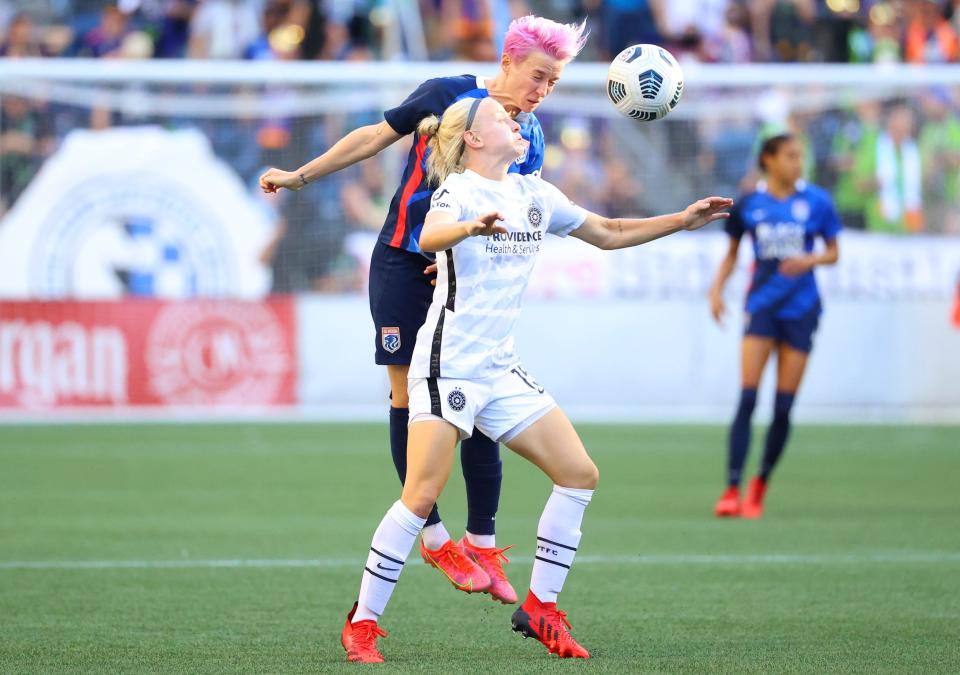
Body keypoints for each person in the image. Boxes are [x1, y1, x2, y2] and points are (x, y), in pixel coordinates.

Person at [339, 95, 732, 663]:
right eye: (501, 117)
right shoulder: (459, 190)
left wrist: (681, 220)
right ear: (473, 139)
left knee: (579, 474)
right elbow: (428, 236)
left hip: (499, 368)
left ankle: (540, 609)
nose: (516, 119)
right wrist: (468, 228)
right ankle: (363, 624)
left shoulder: (534, 194)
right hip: (448, 362)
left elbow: (610, 231)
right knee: (421, 494)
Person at [259, 16, 587, 605]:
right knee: (407, 397)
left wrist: (469, 253)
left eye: (553, 82)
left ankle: (481, 540)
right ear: (508, 61)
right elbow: (373, 137)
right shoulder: (448, 93)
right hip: (403, 262)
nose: (541, 91)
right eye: (538, 76)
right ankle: (434, 537)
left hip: (458, 272)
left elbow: (513, 205)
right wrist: (299, 177)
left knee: (482, 397)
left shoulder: (529, 136)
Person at [709, 134, 840, 520]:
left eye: (800, 155)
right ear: (769, 159)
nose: (797, 162)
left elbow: (833, 252)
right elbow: (732, 255)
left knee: (783, 407)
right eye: (790, 156)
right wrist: (717, 290)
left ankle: (759, 484)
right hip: (762, 308)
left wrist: (810, 261)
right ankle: (731, 488)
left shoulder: (817, 202)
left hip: (801, 309)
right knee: (748, 398)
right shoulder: (751, 204)